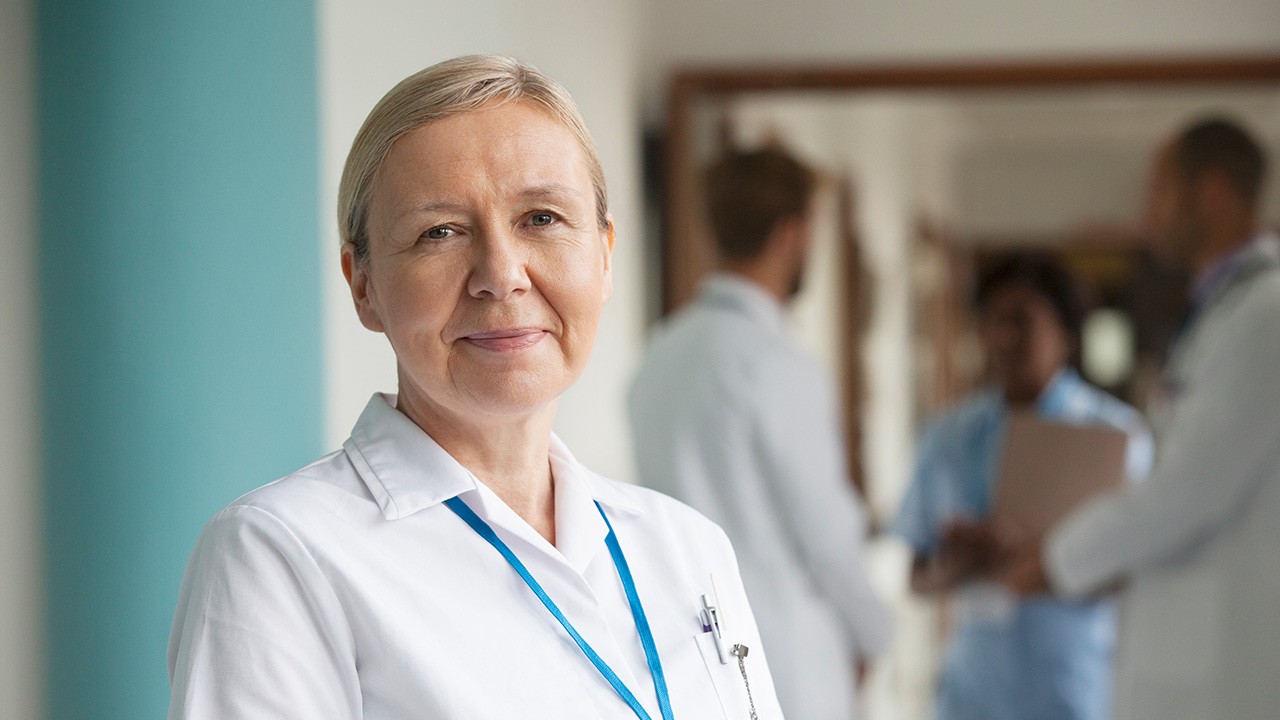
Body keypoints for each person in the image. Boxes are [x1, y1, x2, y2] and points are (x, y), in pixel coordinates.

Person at [167, 55, 784, 720]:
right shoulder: (280, 554)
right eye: (440, 232)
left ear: (604, 255)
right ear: (364, 285)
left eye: (542, 218)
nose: (501, 274)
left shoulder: (686, 546)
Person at [1003, 117, 1280, 720]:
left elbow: (1189, 488)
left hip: (1232, 669)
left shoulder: (1266, 314)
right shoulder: (1227, 310)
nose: (1146, 210)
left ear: (1212, 192)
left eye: (1159, 190)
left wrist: (1056, 560)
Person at [628, 148, 891, 720]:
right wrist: (874, 633)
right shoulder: (776, 364)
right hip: (786, 664)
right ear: (793, 232)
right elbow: (825, 534)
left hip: (687, 655)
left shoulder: (658, 357)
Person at [891, 253, 1153, 720]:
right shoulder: (948, 437)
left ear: (1066, 336)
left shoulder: (1116, 438)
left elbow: (1141, 575)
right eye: (993, 321)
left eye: (1022, 322)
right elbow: (917, 575)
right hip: (973, 694)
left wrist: (1046, 558)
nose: (1003, 338)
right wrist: (961, 563)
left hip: (1077, 690)